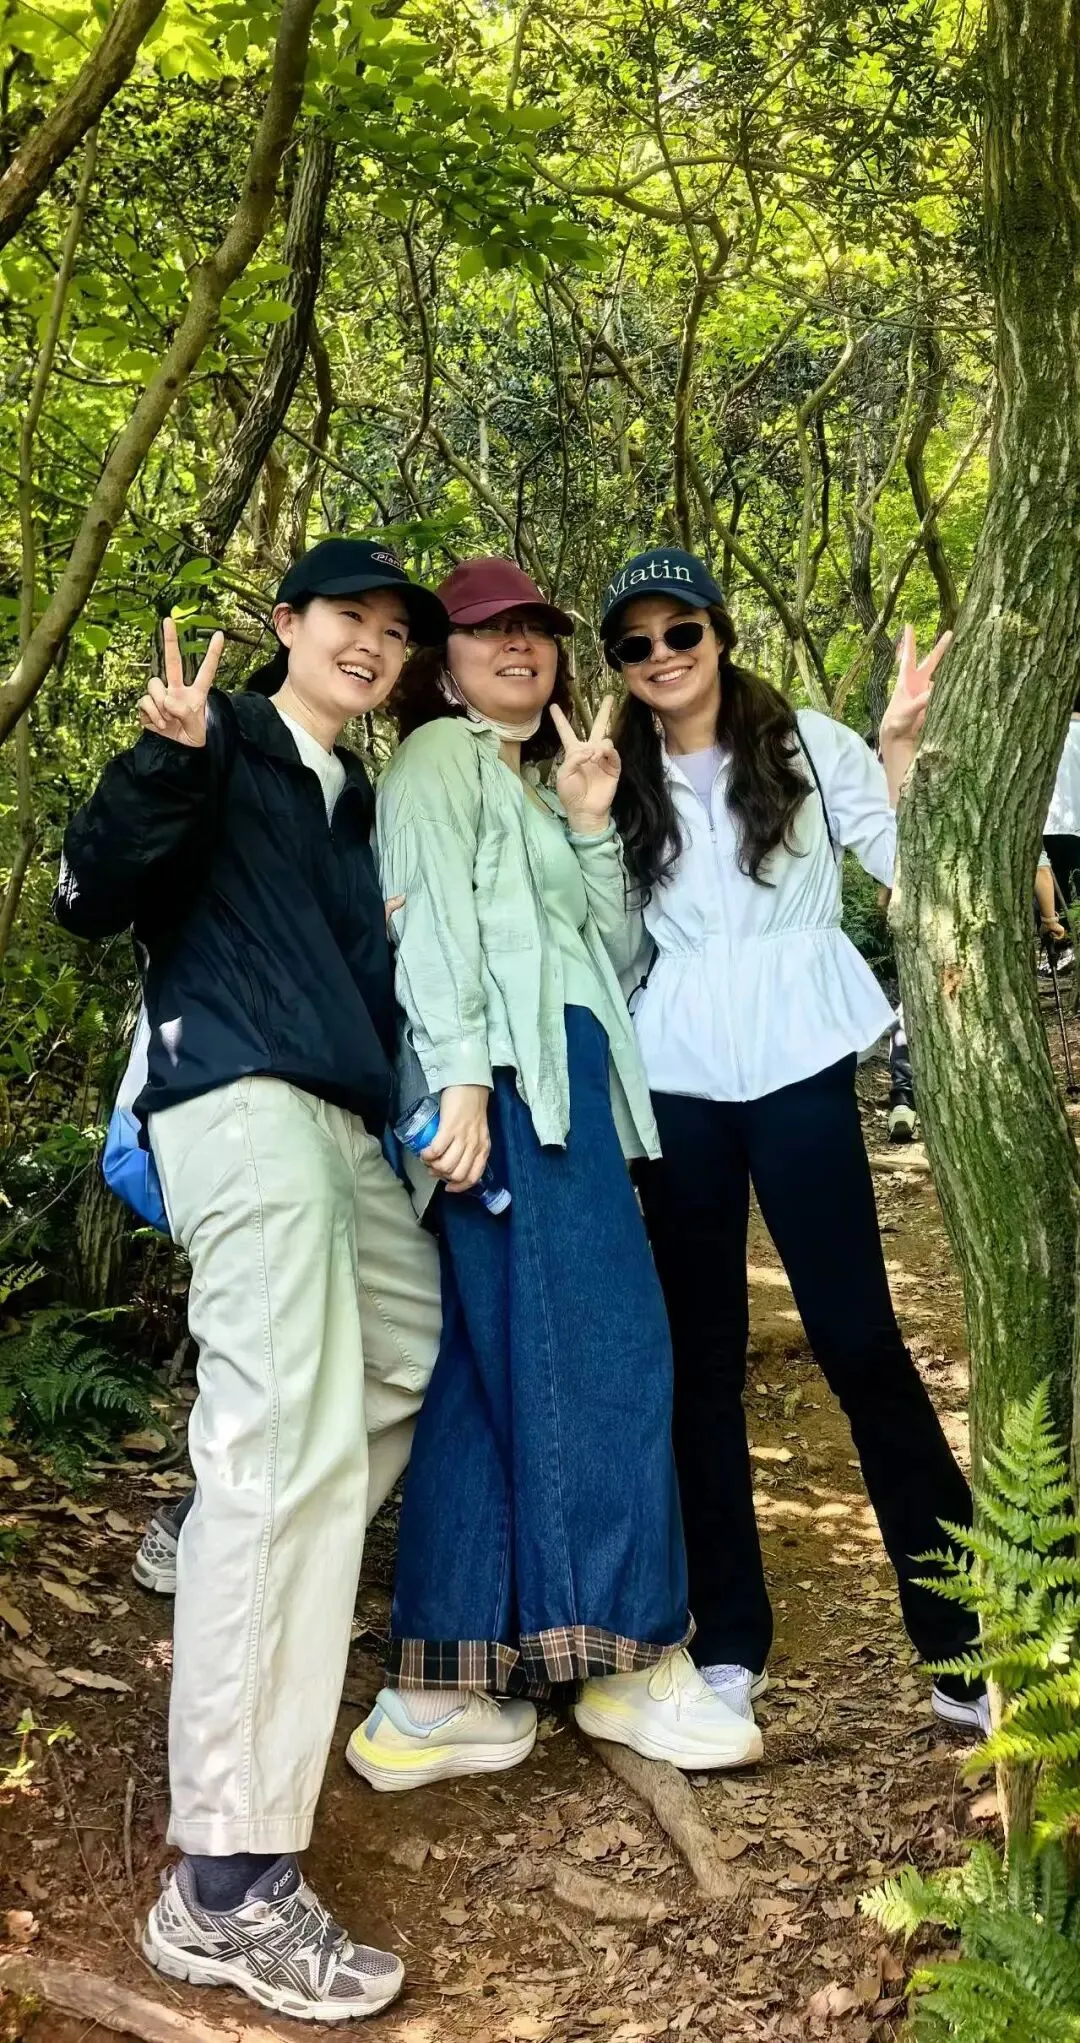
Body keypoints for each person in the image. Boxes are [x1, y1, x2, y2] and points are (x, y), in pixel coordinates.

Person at [55, 539, 449, 2023]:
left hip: (345, 1129)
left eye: (394, 629)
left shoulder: (355, 804)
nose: (373, 642)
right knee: (284, 1448)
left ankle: (220, 1520)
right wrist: (163, 761)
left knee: (410, 1351)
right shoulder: (219, 739)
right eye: (349, 615)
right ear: (287, 624)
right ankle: (224, 1882)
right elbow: (90, 894)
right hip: (235, 1099)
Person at [346, 554, 763, 1792]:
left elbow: (613, 951)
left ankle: (440, 1694)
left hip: (565, 1083)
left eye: (534, 628)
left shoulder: (535, 780)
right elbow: (429, 924)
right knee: (611, 1348)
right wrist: (462, 1080)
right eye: (488, 633)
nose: (518, 646)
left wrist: (587, 822)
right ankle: (630, 1664)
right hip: (511, 1091)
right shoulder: (437, 759)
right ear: (444, 665)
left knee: (493, 1374)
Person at [602, 547, 986, 1737]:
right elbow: (609, 934)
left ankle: (966, 1640)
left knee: (859, 1338)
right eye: (636, 643)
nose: (664, 656)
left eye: (682, 632)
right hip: (677, 1071)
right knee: (701, 1359)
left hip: (799, 1057)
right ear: (618, 663)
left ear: (719, 632)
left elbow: (910, 867)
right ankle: (727, 1642)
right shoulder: (615, 773)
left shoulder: (807, 742)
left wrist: (903, 751)